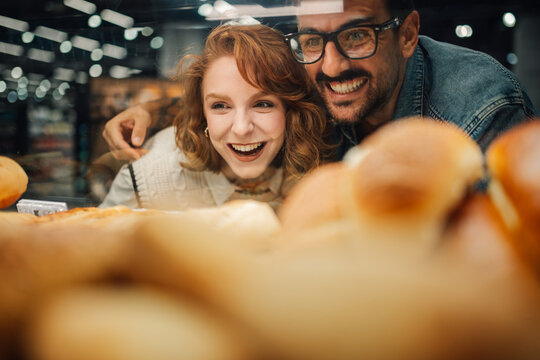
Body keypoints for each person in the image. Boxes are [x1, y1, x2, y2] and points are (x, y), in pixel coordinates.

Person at [102, 0, 538, 161]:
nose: (331, 66)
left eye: (356, 36)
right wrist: (151, 111)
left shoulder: (480, 110)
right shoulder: (311, 65)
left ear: (406, 35)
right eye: (313, 40)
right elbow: (235, 95)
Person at [99, 24, 331, 211]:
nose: (241, 128)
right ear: (202, 113)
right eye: (220, 106)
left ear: (290, 111)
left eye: (262, 104)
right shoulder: (148, 177)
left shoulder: (322, 176)